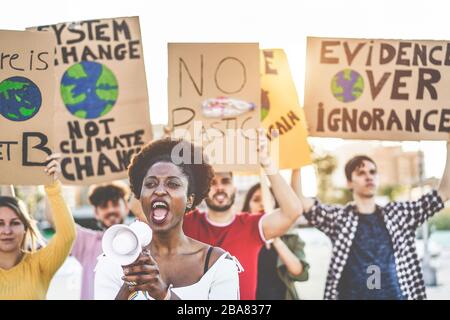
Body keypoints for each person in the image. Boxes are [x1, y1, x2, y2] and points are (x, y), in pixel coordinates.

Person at [294, 138, 450, 300]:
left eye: (372, 172)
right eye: (361, 173)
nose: (368, 176)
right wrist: (295, 160)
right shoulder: (339, 219)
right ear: (349, 182)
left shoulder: (399, 215)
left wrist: (449, 144)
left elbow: (444, 193)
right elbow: (300, 201)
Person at [94, 138, 240, 300]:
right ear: (140, 196)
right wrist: (129, 286)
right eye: (150, 184)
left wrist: (164, 295)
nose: (160, 191)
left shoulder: (218, 264)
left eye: (172, 184)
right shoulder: (113, 261)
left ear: (190, 199)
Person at [183, 130, 304, 300]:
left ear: (235, 188)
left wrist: (267, 162)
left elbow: (293, 211)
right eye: (212, 183)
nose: (219, 188)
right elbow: (143, 211)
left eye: (225, 181)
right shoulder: (187, 222)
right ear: (204, 189)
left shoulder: (252, 226)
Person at [0, 154, 76, 300]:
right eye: (0, 223)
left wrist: (52, 185)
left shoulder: (39, 265)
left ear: (25, 228)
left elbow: (67, 236)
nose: (7, 230)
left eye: (15, 223)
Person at [45, 182, 131, 300]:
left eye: (115, 204)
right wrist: (51, 181)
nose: (110, 210)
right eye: (104, 206)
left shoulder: (140, 237)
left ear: (126, 207)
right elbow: (55, 219)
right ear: (96, 213)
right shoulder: (87, 241)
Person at [242, 183, 309, 300]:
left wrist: (274, 237)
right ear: (248, 206)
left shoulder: (291, 236)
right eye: (256, 200)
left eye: (268, 200)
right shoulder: (239, 236)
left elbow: (300, 274)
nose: (262, 204)